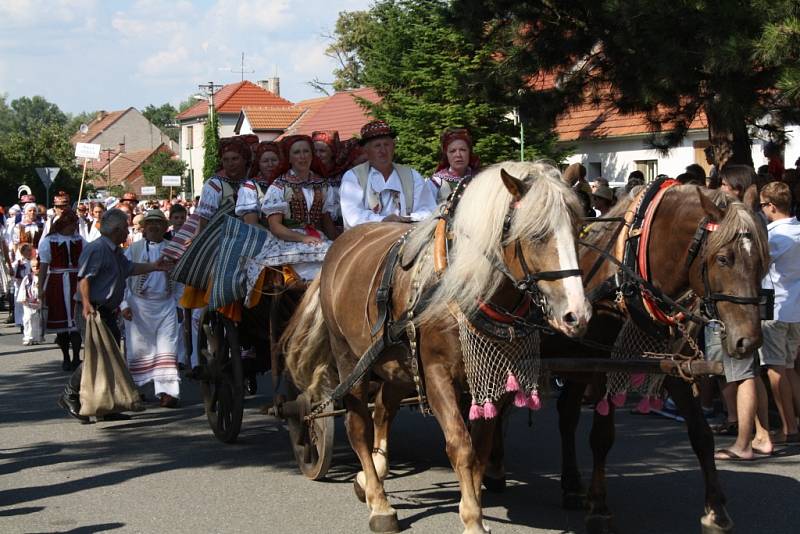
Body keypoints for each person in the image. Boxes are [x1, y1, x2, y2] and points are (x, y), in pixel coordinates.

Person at [58, 209, 171, 423]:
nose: (128, 231)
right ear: (117, 230)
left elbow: (129, 268)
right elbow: (83, 278)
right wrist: (87, 304)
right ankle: (70, 394)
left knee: (111, 356)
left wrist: (154, 267)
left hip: (107, 310)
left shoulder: (115, 250)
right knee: (97, 355)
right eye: (126, 228)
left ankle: (106, 406)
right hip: (92, 310)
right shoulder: (98, 249)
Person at [753, 181, 800, 449]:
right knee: (791, 368)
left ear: (770, 206)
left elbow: (760, 267)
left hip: (776, 307)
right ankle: (795, 423)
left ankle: (788, 427)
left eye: (762, 206)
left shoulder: (774, 236)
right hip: (796, 308)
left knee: (775, 368)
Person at [258, 135, 339, 281]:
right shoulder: (280, 186)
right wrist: (303, 238)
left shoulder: (322, 184)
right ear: (289, 158)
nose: (302, 157)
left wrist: (339, 242)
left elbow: (326, 222)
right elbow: (275, 226)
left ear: (312, 155)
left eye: (306, 151)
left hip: (317, 238)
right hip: (288, 240)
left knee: (339, 258)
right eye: (296, 152)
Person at [121, 210, 181, 408]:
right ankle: (136, 391)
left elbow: (181, 279)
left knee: (167, 347)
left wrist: (180, 304)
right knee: (138, 350)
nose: (154, 226)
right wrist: (124, 304)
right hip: (138, 306)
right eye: (150, 223)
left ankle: (167, 392)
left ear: (165, 228)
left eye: (158, 223)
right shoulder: (133, 249)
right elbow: (122, 277)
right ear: (144, 228)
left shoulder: (173, 249)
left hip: (166, 305)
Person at [340, 120, 436, 229]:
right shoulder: (353, 177)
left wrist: (408, 218)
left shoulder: (412, 176)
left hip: (405, 235)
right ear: (366, 151)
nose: (383, 150)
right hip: (366, 238)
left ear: (393, 147)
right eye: (377, 146)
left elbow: (429, 209)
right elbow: (353, 215)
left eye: (387, 144)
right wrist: (382, 220)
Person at [38, 209, 85, 371]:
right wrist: (40, 288)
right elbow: (43, 266)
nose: (74, 227)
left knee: (76, 322)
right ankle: (66, 357)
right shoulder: (49, 241)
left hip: (76, 281)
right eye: (72, 224)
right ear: (64, 224)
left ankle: (77, 357)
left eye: (75, 224)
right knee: (62, 326)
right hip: (57, 282)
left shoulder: (79, 240)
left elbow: (85, 262)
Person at [237, 141, 283, 226]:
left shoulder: (287, 183)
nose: (270, 164)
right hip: (265, 237)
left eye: (274, 160)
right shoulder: (250, 188)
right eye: (265, 161)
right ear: (259, 164)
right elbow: (251, 225)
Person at [429, 128, 481, 203]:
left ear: (469, 152)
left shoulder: (479, 178)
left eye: (463, 150)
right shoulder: (436, 183)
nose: (458, 155)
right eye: (452, 151)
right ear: (446, 155)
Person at [17, 257, 43, 346]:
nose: (36, 268)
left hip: (38, 302)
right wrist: (23, 298)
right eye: (33, 266)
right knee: (27, 319)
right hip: (28, 302)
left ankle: (36, 337)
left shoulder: (43, 277)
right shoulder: (28, 277)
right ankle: (27, 337)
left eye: (37, 266)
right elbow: (23, 288)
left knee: (37, 320)